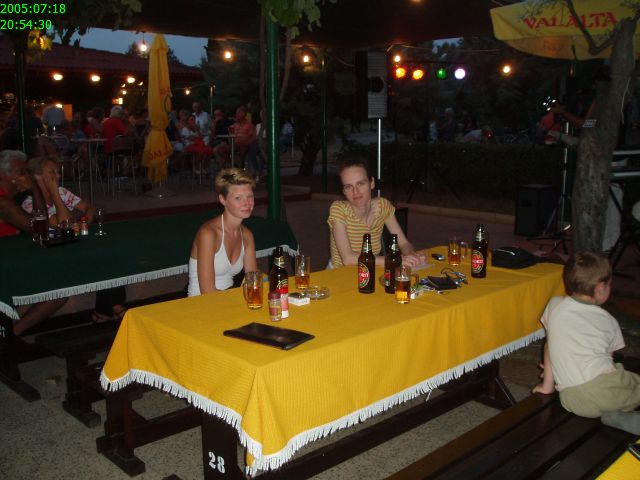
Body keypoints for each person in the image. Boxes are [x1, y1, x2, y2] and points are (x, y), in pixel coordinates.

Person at [533, 252, 640, 435]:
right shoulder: (608, 320)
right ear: (600, 288)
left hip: (572, 400)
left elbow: (550, 346)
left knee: (611, 393)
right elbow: (608, 360)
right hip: (604, 390)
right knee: (632, 383)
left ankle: (614, 414)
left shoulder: (554, 305)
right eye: (609, 284)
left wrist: (547, 385)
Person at [0, 149, 68, 335]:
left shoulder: (9, 199)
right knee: (59, 290)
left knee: (59, 286)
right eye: (20, 172)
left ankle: (12, 332)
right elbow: (40, 227)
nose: (26, 177)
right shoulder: (4, 204)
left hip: (8, 261)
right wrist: (35, 188)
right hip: (4, 269)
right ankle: (12, 333)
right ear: (4, 176)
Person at [327, 155, 426, 269]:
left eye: (361, 184)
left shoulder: (383, 206)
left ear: (372, 183)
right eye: (348, 187)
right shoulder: (339, 209)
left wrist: (411, 255)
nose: (355, 192)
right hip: (340, 273)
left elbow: (403, 243)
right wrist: (393, 260)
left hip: (370, 270)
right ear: (344, 191)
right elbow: (348, 259)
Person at [187, 168, 258, 296]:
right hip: (201, 303)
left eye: (249, 196)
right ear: (222, 200)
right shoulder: (208, 234)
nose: (247, 203)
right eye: (238, 198)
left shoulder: (247, 235)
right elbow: (207, 291)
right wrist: (239, 299)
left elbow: (253, 279)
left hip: (228, 300)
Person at [21, 156, 95, 226]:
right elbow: (64, 224)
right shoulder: (29, 204)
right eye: (52, 172)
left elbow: (89, 208)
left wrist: (83, 224)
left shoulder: (61, 191)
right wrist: (55, 194)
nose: (58, 176)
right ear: (37, 176)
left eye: (58, 172)